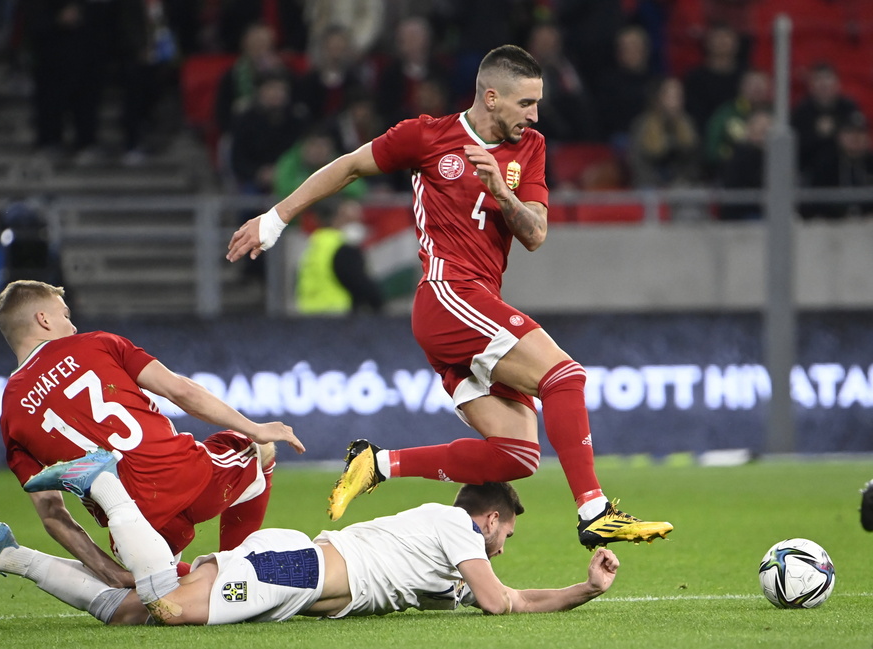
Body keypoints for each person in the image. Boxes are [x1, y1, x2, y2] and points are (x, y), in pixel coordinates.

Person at [226, 45, 673, 550]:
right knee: (564, 376)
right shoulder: (427, 137)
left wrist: (502, 195)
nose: (535, 114)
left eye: (538, 102)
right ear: (492, 97)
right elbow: (349, 167)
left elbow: (536, 234)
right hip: (447, 295)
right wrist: (275, 219)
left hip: (475, 304)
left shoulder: (531, 148)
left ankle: (378, 463)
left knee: (518, 454)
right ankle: (595, 512)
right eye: (526, 103)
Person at [0, 474, 621, 624]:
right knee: (167, 607)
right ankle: (107, 484)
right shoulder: (455, 525)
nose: (503, 545)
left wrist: (584, 586)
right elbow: (503, 603)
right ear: (490, 516)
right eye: (508, 533)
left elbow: (511, 596)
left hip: (296, 572)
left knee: (135, 613)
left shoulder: (446, 555)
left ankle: (8, 554)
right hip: (300, 568)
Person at [0, 279, 304, 587]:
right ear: (43, 319)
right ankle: (235, 571)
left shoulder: (10, 415)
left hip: (133, 527)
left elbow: (52, 514)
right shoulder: (95, 343)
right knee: (259, 448)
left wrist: (111, 572)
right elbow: (180, 391)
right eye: (65, 315)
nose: (72, 326)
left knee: (161, 593)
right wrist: (256, 429)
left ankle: (176, 576)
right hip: (190, 479)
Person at [295, 197, 383, 315]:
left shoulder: (314, 245)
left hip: (308, 318)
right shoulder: (344, 250)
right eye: (351, 219)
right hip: (337, 319)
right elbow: (364, 288)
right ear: (338, 217)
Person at [791, 62, 861, 186]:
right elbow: (797, 148)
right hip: (812, 172)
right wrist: (819, 135)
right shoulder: (802, 111)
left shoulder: (848, 107)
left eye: (827, 78)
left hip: (846, 167)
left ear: (837, 83)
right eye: (818, 79)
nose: (823, 84)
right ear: (810, 85)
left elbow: (859, 138)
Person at [627, 77, 700, 188]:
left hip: (681, 185)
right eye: (671, 96)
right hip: (649, 185)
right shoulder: (642, 125)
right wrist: (659, 186)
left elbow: (694, 163)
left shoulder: (688, 124)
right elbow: (638, 164)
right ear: (658, 98)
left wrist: (680, 182)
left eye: (679, 96)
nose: (677, 101)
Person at [803, 111, 873, 219]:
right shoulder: (826, 164)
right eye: (849, 132)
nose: (855, 137)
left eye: (860, 132)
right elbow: (813, 205)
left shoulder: (870, 163)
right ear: (839, 136)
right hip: (831, 226)